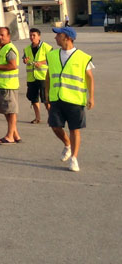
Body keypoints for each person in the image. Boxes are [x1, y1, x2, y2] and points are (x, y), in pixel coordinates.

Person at [46, 26, 95, 172]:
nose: (55, 37)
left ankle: (74, 158)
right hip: (56, 98)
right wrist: (47, 93)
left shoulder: (83, 57)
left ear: (67, 38)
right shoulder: (52, 55)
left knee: (74, 129)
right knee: (55, 126)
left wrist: (91, 97)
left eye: (58, 35)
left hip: (75, 99)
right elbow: (48, 75)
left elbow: (90, 78)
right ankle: (67, 144)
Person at [0, 26, 21, 144]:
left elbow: (13, 66)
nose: (0, 37)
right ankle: (15, 134)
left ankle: (10, 136)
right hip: (2, 85)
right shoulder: (2, 48)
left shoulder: (10, 49)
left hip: (8, 85)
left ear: (8, 36)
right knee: (6, 110)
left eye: (2, 35)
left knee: (11, 111)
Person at [22, 28, 52, 124]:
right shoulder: (27, 49)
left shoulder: (46, 47)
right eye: (30, 35)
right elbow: (24, 59)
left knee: (46, 99)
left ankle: (52, 117)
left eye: (34, 35)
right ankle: (37, 117)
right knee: (33, 98)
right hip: (32, 78)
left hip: (43, 77)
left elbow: (52, 59)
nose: (32, 37)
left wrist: (42, 62)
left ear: (39, 36)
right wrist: (25, 60)